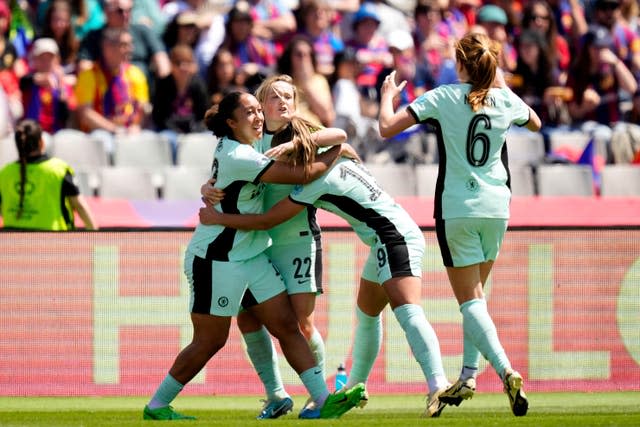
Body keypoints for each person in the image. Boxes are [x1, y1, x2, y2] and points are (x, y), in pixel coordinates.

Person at [199, 108, 453, 420]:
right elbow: (333, 143)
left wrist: (218, 217)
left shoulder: (313, 181)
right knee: (368, 312)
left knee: (407, 308)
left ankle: (437, 383)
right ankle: (356, 387)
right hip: (385, 236)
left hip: (394, 236)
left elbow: (266, 219)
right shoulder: (340, 159)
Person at [143, 91, 367, 421]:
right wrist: (337, 152)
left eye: (258, 110)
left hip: (249, 256)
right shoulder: (239, 155)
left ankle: (321, 399)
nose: (258, 116)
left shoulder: (241, 148)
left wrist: (208, 186)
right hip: (217, 260)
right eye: (249, 113)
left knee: (288, 327)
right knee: (210, 341)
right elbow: (301, 175)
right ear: (231, 123)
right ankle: (157, 406)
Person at [377, 32, 542, 416]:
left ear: (462, 64)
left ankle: (505, 369)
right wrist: (496, 82)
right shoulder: (504, 100)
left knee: (469, 302)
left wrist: (387, 94)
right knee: (478, 298)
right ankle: (468, 374)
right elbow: (534, 122)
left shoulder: (443, 96)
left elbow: (387, 127)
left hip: (457, 208)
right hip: (497, 207)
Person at [201, 74, 352, 419]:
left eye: (288, 96)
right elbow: (225, 174)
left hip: (297, 241)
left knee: (300, 325)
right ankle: (275, 395)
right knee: (248, 319)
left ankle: (319, 395)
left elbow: (339, 136)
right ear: (261, 103)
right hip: (259, 243)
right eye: (275, 97)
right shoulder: (250, 138)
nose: (283, 102)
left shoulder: (302, 133)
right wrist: (205, 186)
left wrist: (296, 147)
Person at [0, 119, 98, 231]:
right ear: (41, 142)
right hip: (52, 243)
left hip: (12, 244)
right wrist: (96, 239)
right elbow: (79, 206)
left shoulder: (4, 173)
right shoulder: (58, 170)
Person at [74, 27, 150, 161]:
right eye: (124, 45)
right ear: (107, 48)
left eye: (130, 44)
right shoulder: (89, 74)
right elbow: (85, 114)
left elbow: (142, 108)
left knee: (149, 143)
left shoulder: (135, 73)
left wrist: (135, 126)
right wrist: (114, 129)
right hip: (100, 131)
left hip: (129, 130)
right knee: (104, 144)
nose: (130, 49)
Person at [152, 43, 209, 163]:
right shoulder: (162, 84)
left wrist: (194, 131)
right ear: (171, 65)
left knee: (209, 138)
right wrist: (178, 133)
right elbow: (159, 117)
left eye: (187, 63)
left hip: (193, 129)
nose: (183, 67)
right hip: (170, 130)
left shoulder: (198, 84)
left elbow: (204, 115)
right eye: (178, 63)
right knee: (169, 140)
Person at [277, 35, 335, 127]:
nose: (304, 59)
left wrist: (306, 84)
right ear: (290, 57)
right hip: (288, 129)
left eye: (307, 54)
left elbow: (327, 116)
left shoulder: (318, 80)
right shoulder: (279, 81)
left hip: (314, 130)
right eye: (299, 54)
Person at [20, 38, 76, 134]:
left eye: (50, 58)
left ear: (57, 60)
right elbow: (23, 82)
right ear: (34, 59)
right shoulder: (29, 79)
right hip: (32, 133)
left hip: (56, 133)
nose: (46, 62)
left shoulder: (63, 84)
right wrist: (37, 78)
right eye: (41, 58)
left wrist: (62, 95)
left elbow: (67, 116)